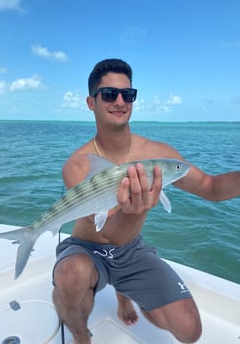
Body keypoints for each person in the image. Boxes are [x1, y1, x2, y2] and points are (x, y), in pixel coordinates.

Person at [52, 58, 240, 344]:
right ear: (91, 102)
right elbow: (109, 231)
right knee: (70, 275)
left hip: (130, 250)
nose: (119, 101)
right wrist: (137, 212)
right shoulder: (79, 165)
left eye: (128, 94)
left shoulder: (159, 154)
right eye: (108, 94)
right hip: (87, 247)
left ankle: (126, 292)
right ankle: (80, 335)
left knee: (190, 330)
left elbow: (212, 188)